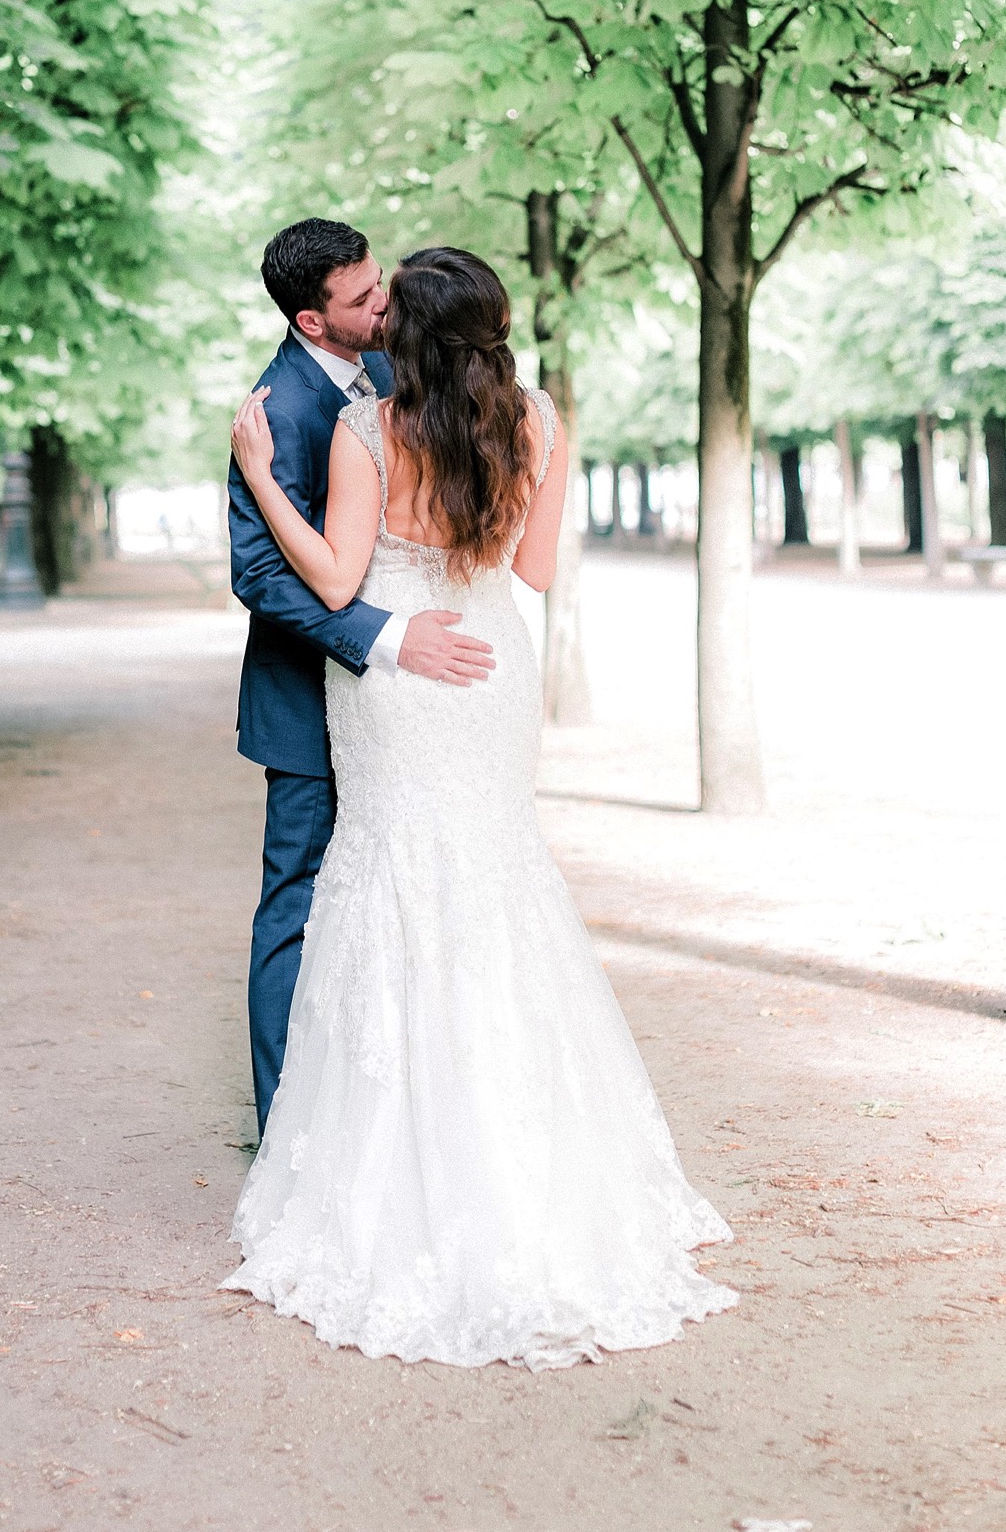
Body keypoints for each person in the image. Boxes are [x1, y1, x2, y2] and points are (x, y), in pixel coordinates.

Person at [224, 244, 736, 1369]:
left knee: (395, 880)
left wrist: (263, 475)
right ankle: (530, 1146)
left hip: (404, 684)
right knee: (500, 880)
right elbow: (539, 573)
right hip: (492, 662)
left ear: (405, 329)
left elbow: (336, 583)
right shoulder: (541, 419)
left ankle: (401, 1144)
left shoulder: (373, 431)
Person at [228, 219, 501, 1140]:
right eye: (362, 299)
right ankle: (285, 1132)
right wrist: (388, 639)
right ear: (312, 320)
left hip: (409, 714)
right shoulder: (277, 408)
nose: (385, 303)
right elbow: (260, 575)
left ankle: (396, 1112)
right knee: (300, 908)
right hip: (309, 704)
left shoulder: (397, 371)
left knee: (406, 896)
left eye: (380, 283)